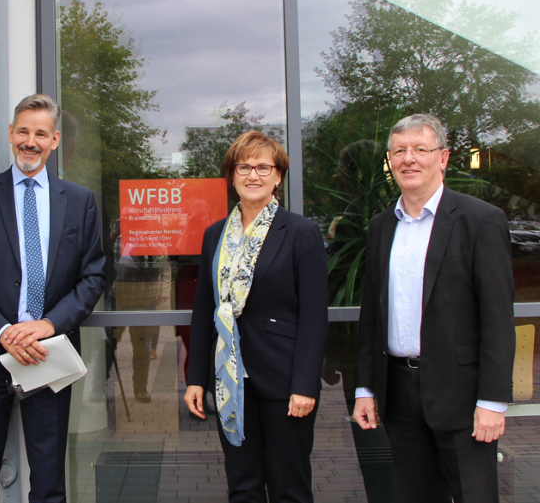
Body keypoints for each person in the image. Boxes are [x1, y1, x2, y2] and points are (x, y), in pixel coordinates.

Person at [0, 93, 106, 503]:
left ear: (54, 140)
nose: (30, 142)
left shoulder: (80, 201)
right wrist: (3, 332)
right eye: (23, 132)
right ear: (10, 134)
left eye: (40, 134)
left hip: (48, 354)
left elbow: (93, 276)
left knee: (49, 481)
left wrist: (48, 325)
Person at [352, 114, 515, 503]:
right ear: (390, 161)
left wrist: (492, 401)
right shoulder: (380, 227)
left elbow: (497, 319)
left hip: (462, 395)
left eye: (420, 149)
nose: (408, 159)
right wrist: (365, 388)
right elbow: (372, 316)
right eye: (399, 151)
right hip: (398, 395)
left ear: (442, 158)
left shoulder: (480, 220)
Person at [184, 131, 329, 502]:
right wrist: (196, 378)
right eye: (244, 167)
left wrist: (305, 384)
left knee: (289, 487)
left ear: (278, 176)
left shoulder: (301, 233)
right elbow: (204, 311)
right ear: (232, 177)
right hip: (229, 378)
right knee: (243, 486)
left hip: (284, 381)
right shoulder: (215, 235)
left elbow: (314, 318)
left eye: (264, 167)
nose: (253, 175)